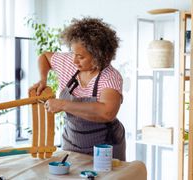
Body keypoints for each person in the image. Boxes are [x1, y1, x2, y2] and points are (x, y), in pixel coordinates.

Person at [29, 17, 126, 160]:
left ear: (99, 56)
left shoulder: (110, 77)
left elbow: (107, 112)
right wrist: (43, 79)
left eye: (80, 56)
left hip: (105, 148)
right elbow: (44, 57)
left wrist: (63, 104)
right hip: (71, 144)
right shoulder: (70, 62)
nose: (74, 60)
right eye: (73, 53)